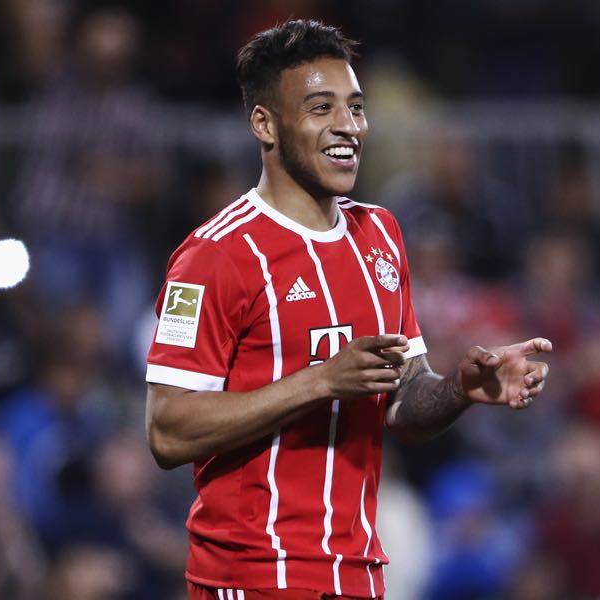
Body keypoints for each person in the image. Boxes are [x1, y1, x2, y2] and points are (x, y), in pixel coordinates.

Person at [145, 19, 552, 600]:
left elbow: (402, 404)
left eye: (355, 107)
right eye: (320, 107)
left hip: (357, 573)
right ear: (265, 123)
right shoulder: (216, 256)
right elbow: (166, 430)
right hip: (255, 576)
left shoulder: (380, 235)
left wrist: (460, 388)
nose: (347, 126)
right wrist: (318, 382)